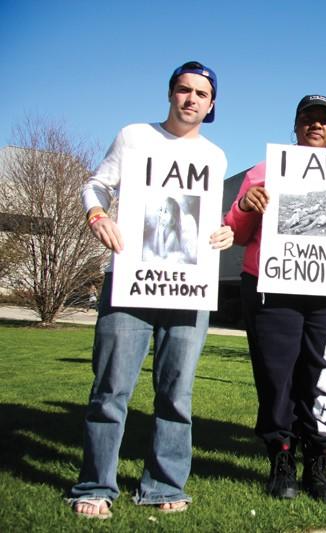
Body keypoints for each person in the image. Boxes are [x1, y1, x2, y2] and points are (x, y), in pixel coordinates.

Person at [69, 61, 233, 519]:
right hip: (128, 283)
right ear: (170, 93)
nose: (191, 99)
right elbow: (96, 186)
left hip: (187, 288)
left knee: (177, 392)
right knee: (111, 388)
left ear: (212, 104)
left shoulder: (215, 157)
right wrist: (97, 217)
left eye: (201, 94)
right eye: (184, 90)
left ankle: (163, 485)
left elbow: (203, 218)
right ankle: (95, 485)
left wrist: (223, 234)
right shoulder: (134, 136)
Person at [224, 94, 326, 504]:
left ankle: (319, 460)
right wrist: (244, 206)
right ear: (295, 125)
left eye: (324, 120)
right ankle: (281, 458)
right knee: (276, 378)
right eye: (308, 119)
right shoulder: (264, 171)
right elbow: (236, 233)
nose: (316, 126)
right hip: (273, 286)